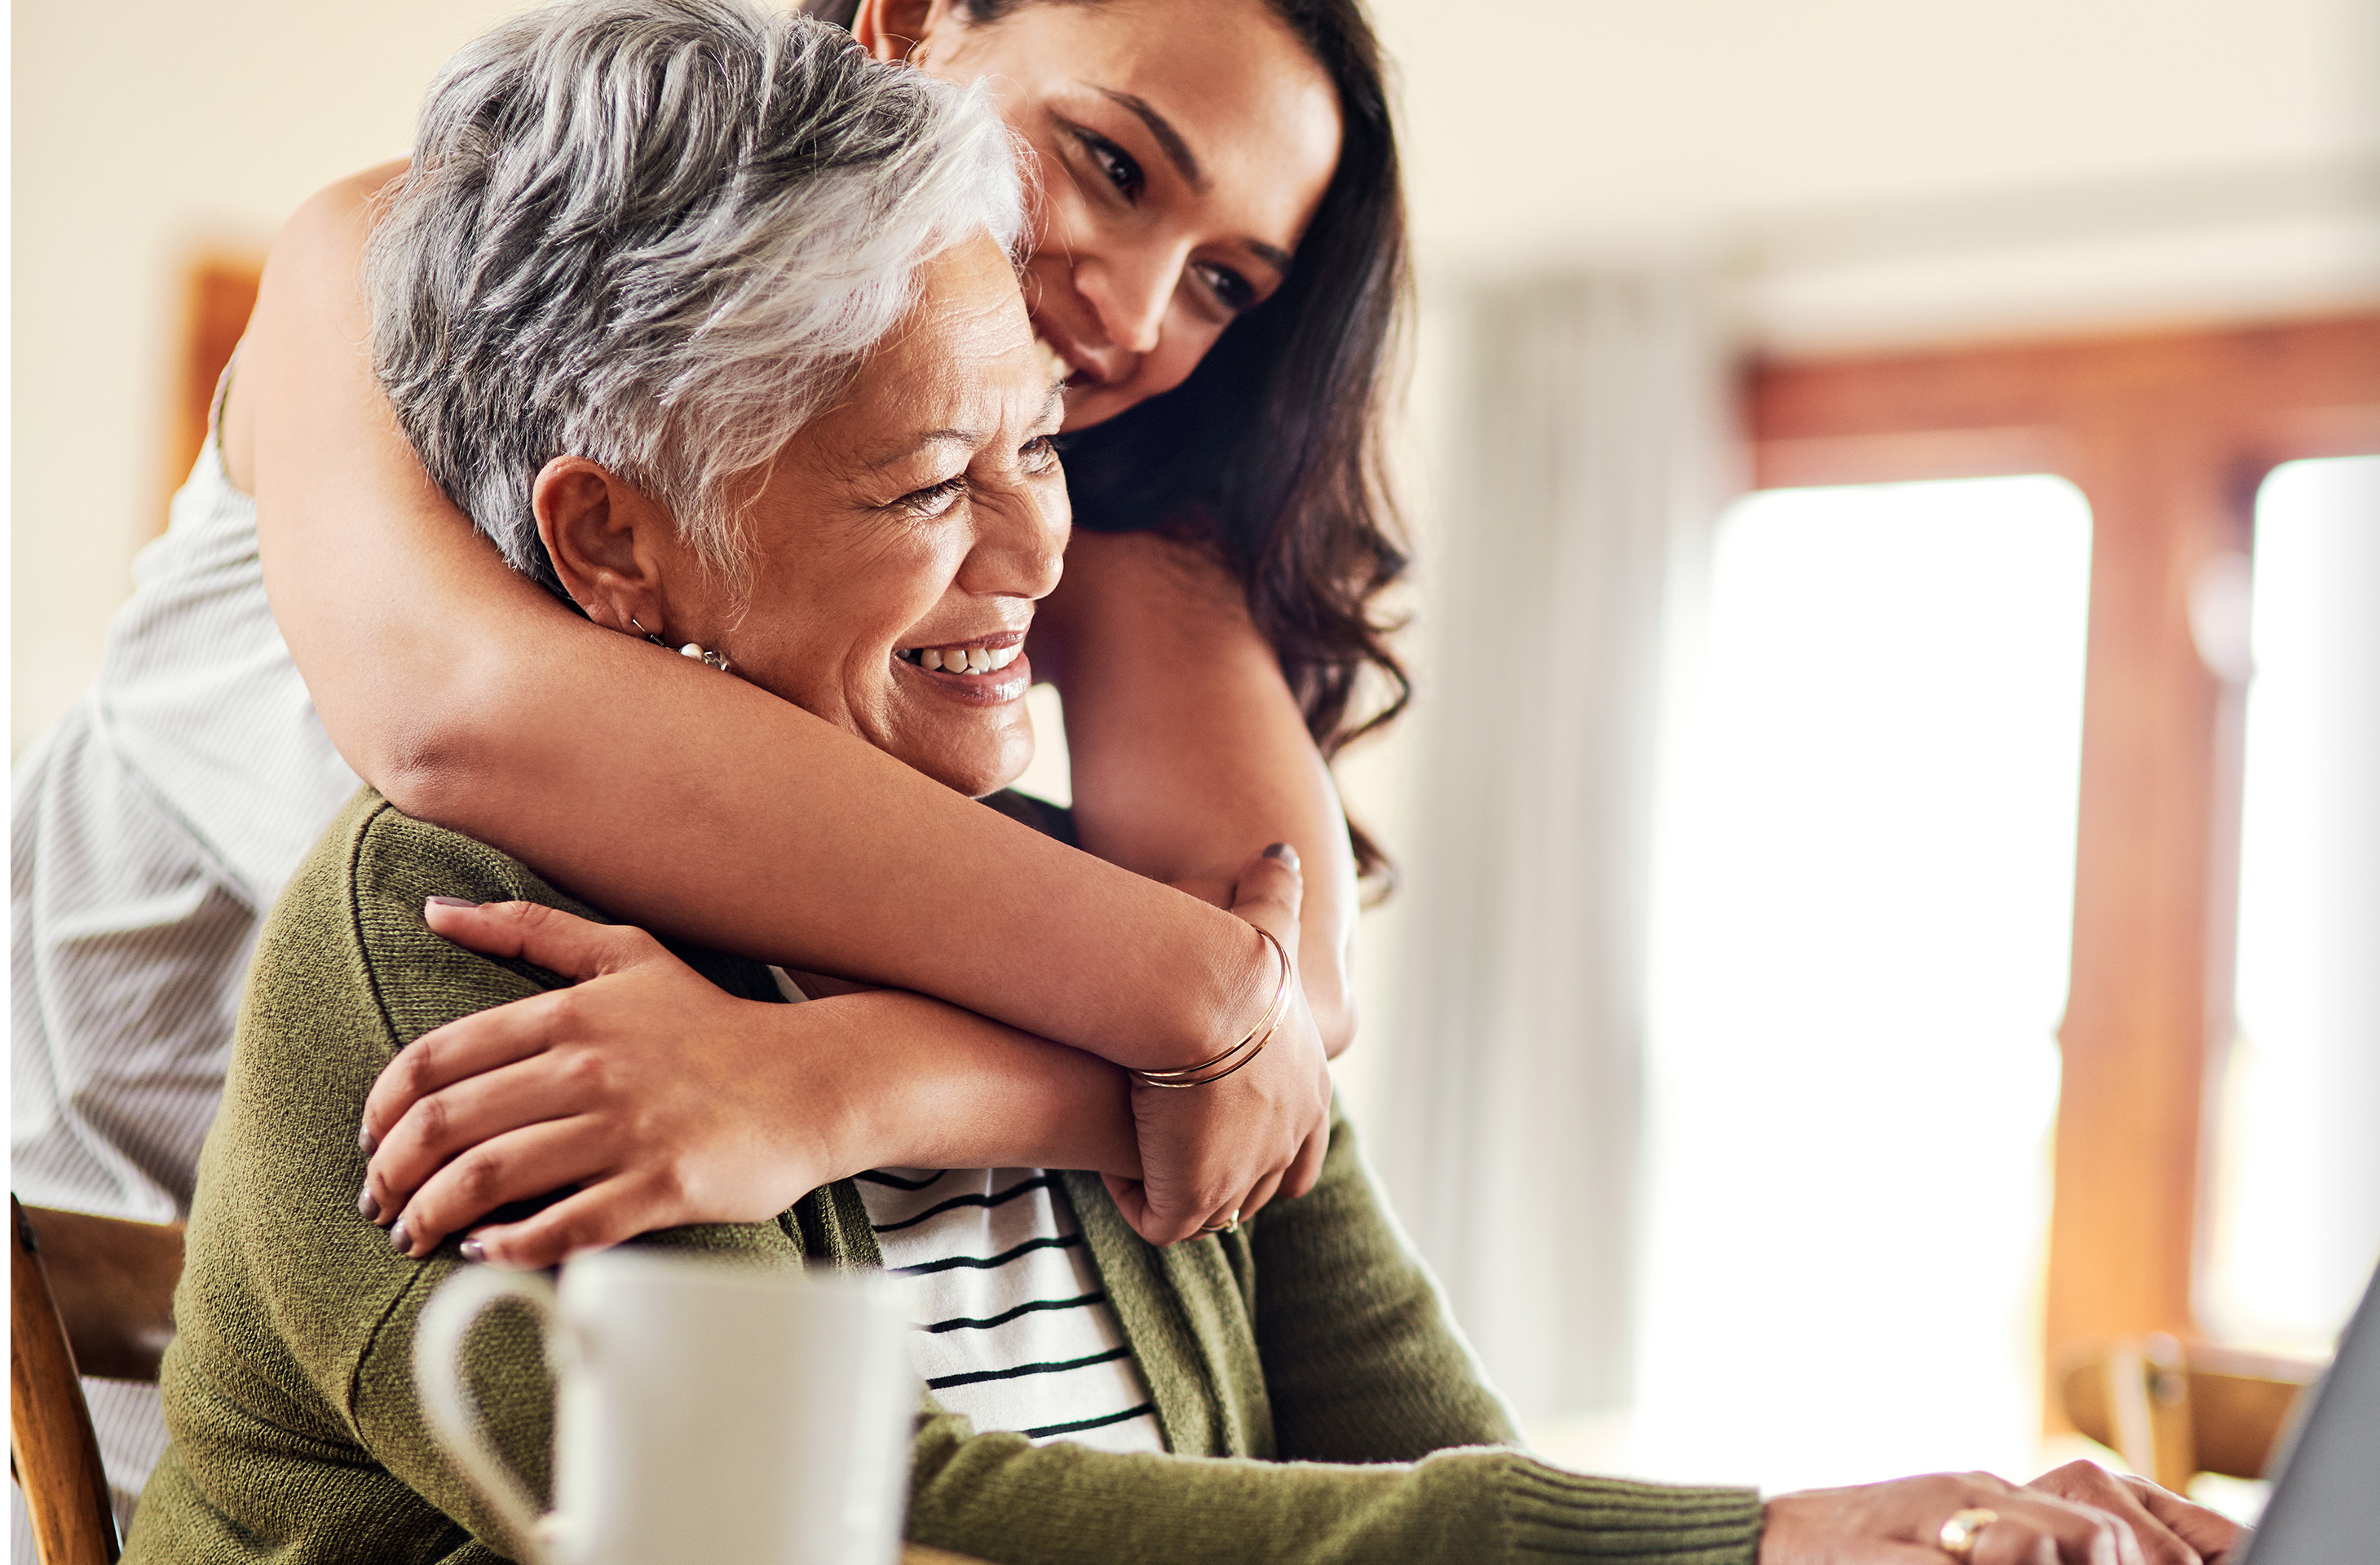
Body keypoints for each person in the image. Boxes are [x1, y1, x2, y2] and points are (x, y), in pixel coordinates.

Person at [130, 8, 2241, 1563]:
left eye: (1041, 449)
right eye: (930, 483)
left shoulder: (1056, 815)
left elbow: (1300, 1108)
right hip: (116, 1156)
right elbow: (863, 1525)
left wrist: (864, 1081)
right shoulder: (464, 899)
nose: (1127, 325)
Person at [20, 0, 1386, 1504]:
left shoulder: (1041, 477)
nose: (1134, 313)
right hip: (107, 1288)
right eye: (1114, 167)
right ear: (910, 25)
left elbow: (1283, 995)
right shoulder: (419, 260)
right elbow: (463, 717)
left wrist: (845, 1084)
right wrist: (1196, 1005)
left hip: (531, 1282)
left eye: (1223, 282)